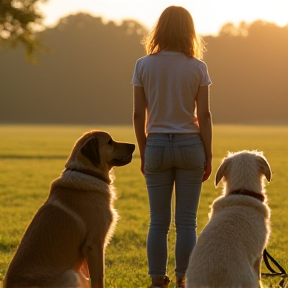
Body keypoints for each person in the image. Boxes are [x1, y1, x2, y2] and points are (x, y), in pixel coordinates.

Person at [131, 5, 213, 288]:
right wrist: (208, 152)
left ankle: (156, 281)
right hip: (191, 145)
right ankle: (183, 280)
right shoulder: (198, 67)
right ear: (189, 31)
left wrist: (144, 151)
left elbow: (138, 115)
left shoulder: (143, 65)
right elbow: (204, 116)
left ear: (159, 29)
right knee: (187, 222)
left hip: (155, 145)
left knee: (158, 222)